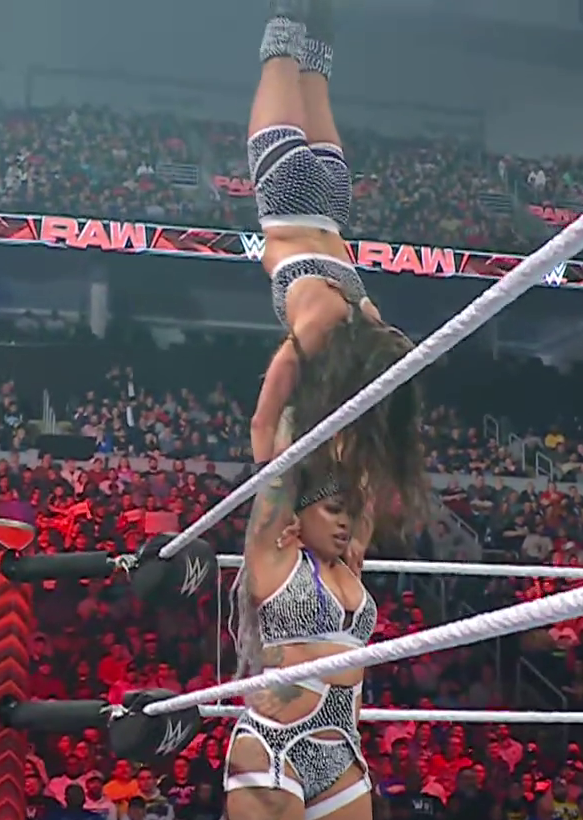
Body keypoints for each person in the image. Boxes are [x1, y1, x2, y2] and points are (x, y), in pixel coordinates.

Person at [209, 446, 395, 820]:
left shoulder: (350, 564)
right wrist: (299, 392)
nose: (345, 522)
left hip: (338, 750)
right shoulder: (275, 556)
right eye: (333, 510)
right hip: (274, 744)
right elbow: (273, 452)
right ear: (299, 514)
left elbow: (366, 476)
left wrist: (358, 416)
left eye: (350, 513)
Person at [244, 0, 426, 529]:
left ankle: (322, 13)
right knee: (280, 48)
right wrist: (270, 491)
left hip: (332, 204)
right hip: (288, 197)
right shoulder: (318, 329)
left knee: (313, 66)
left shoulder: (368, 319)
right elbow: (262, 422)